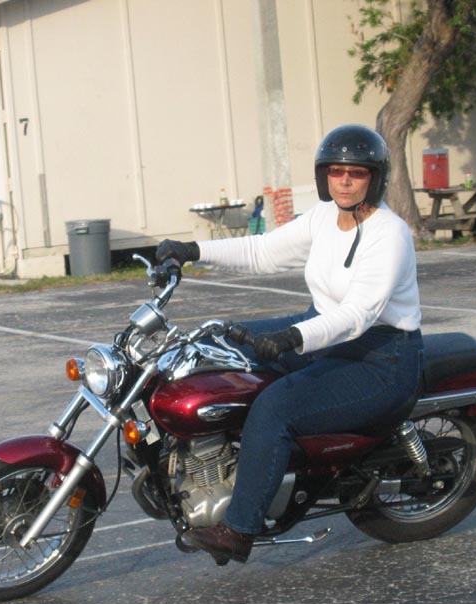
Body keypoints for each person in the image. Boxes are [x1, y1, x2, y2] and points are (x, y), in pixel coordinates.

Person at [156, 124, 423, 565]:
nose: (344, 181)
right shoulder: (324, 217)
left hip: (380, 357)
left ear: (375, 178)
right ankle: (209, 465)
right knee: (215, 345)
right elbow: (263, 251)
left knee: (274, 408)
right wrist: (191, 251)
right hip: (320, 330)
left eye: (356, 172)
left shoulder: (388, 233)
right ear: (323, 175)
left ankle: (239, 528)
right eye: (336, 171)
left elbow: (358, 315)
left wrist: (291, 339)